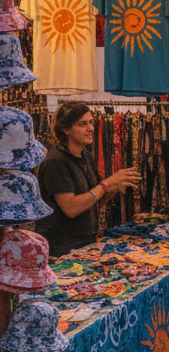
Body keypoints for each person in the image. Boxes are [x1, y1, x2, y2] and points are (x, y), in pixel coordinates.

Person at [36, 102, 142, 257]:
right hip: (60, 248)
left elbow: (94, 198)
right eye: (82, 124)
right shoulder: (56, 162)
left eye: (91, 123)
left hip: (85, 243)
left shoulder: (85, 156)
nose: (90, 128)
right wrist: (107, 184)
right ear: (66, 129)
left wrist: (113, 188)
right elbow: (70, 208)